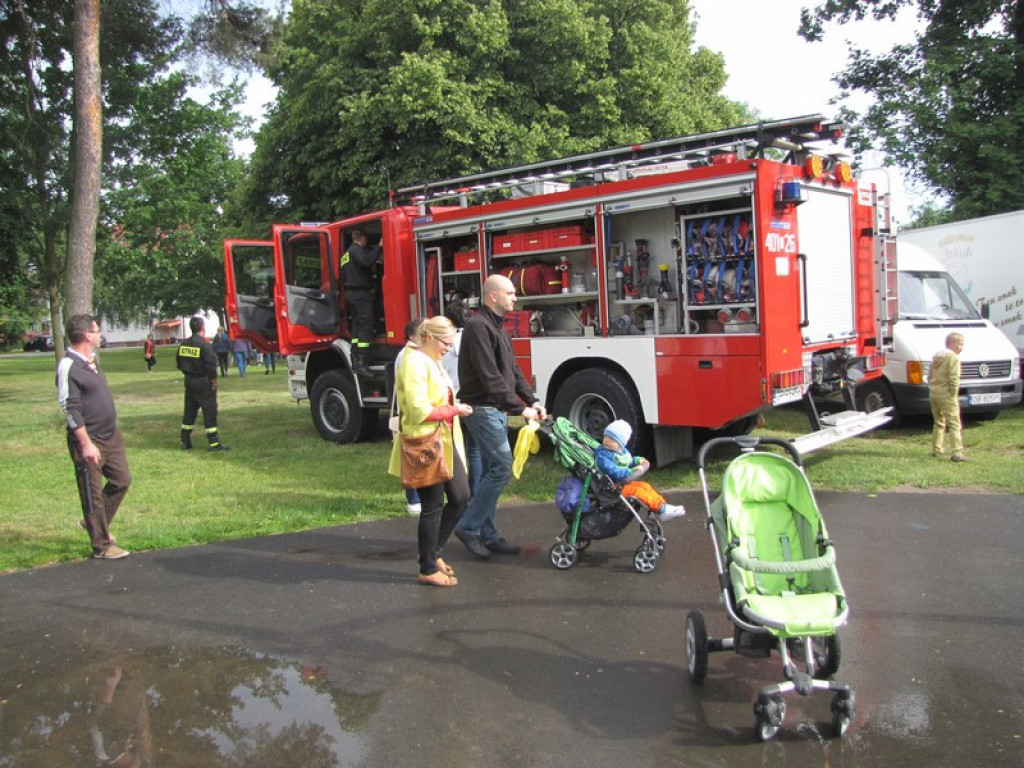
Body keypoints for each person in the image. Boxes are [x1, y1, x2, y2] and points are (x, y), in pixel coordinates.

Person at [454, 274, 546, 559]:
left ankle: (488, 534)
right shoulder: (478, 327)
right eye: (510, 293)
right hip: (482, 409)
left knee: (491, 471)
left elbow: (512, 370)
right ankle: (469, 527)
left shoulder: (496, 327)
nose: (515, 297)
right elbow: (490, 376)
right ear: (493, 296)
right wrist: (520, 409)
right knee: (502, 468)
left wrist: (532, 399)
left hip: (493, 410)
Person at [388, 315, 473, 587]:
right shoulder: (413, 361)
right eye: (445, 343)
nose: (449, 348)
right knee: (433, 505)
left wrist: (453, 407)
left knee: (461, 497)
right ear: (428, 337)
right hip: (424, 443)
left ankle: (432, 554)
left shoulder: (430, 358)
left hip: (443, 440)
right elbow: (419, 410)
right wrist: (455, 409)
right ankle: (427, 567)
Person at [56, 314, 132, 560]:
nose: (100, 334)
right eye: (97, 331)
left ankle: (95, 524)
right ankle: (101, 545)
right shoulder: (68, 366)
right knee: (92, 493)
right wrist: (85, 443)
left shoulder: (92, 360)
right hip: (90, 440)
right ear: (87, 335)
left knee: (122, 480)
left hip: (111, 436)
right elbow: (70, 407)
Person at [595, 419, 686, 521]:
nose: (606, 440)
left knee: (645, 486)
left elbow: (627, 461)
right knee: (638, 491)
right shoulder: (603, 456)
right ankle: (662, 509)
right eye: (605, 436)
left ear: (621, 442)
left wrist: (637, 461)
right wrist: (631, 471)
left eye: (611, 438)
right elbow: (614, 471)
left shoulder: (622, 452)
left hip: (621, 485)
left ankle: (663, 507)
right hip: (611, 489)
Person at [442, 297, 482, 493]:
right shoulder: (476, 339)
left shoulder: (443, 343)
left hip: (450, 402)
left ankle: (457, 490)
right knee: (474, 450)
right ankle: (474, 492)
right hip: (472, 401)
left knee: (454, 449)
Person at [176, 316, 230, 451]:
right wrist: (213, 380)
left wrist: (189, 374)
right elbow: (211, 365)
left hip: (189, 381)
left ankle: (185, 440)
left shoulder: (183, 345)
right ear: (202, 328)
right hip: (204, 381)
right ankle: (214, 443)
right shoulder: (204, 345)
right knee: (209, 410)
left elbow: (179, 363)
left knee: (189, 410)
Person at [395, 318, 425, 516]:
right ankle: (413, 500)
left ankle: (417, 499)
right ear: (412, 336)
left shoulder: (411, 355)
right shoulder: (410, 357)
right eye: (423, 333)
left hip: (414, 415)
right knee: (413, 458)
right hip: (413, 416)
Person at [340, 228, 382, 371]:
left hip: (351, 294)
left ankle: (355, 358)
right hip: (359, 293)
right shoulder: (355, 250)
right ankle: (362, 362)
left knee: (357, 326)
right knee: (366, 325)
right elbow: (368, 261)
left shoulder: (346, 254)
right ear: (362, 239)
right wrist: (379, 247)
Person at [930, 331, 968, 462]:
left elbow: (930, 374)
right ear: (951, 344)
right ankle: (956, 452)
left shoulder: (936, 356)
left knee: (938, 422)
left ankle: (936, 449)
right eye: (960, 344)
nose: (961, 347)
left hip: (934, 392)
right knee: (954, 423)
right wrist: (953, 393)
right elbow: (953, 377)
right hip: (946, 394)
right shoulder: (953, 358)